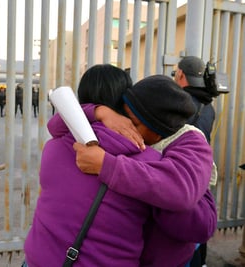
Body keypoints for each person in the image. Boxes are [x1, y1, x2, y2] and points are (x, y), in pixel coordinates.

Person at [24, 65, 216, 266]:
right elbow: (199, 227)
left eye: (135, 122)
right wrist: (100, 111)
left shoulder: (55, 145)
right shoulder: (149, 161)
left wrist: (105, 163)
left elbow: (55, 124)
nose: (132, 129)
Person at [172, 56, 218, 267]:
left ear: (181, 74)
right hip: (202, 173)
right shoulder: (209, 107)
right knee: (198, 223)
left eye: (175, 72)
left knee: (182, 229)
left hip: (180, 176)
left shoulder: (179, 103)